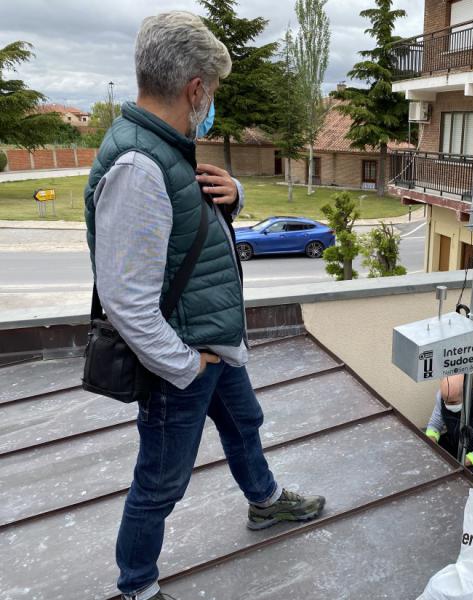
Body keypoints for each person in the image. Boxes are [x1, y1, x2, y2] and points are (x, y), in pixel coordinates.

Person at [85, 12, 324, 600]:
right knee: (161, 483)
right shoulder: (140, 165)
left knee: (245, 426)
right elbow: (126, 299)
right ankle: (137, 587)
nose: (209, 102)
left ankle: (265, 502)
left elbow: (180, 241)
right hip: (183, 362)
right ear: (195, 89)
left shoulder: (166, 147)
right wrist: (187, 367)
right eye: (210, 91)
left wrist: (234, 197)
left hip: (211, 345)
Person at [426, 375, 473, 485]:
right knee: (427, 460)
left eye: (452, 402)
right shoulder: (443, 395)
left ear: (466, 393)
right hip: (456, 444)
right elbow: (434, 426)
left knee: (467, 483)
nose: (447, 405)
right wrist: (430, 444)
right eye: (445, 401)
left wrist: (453, 465)